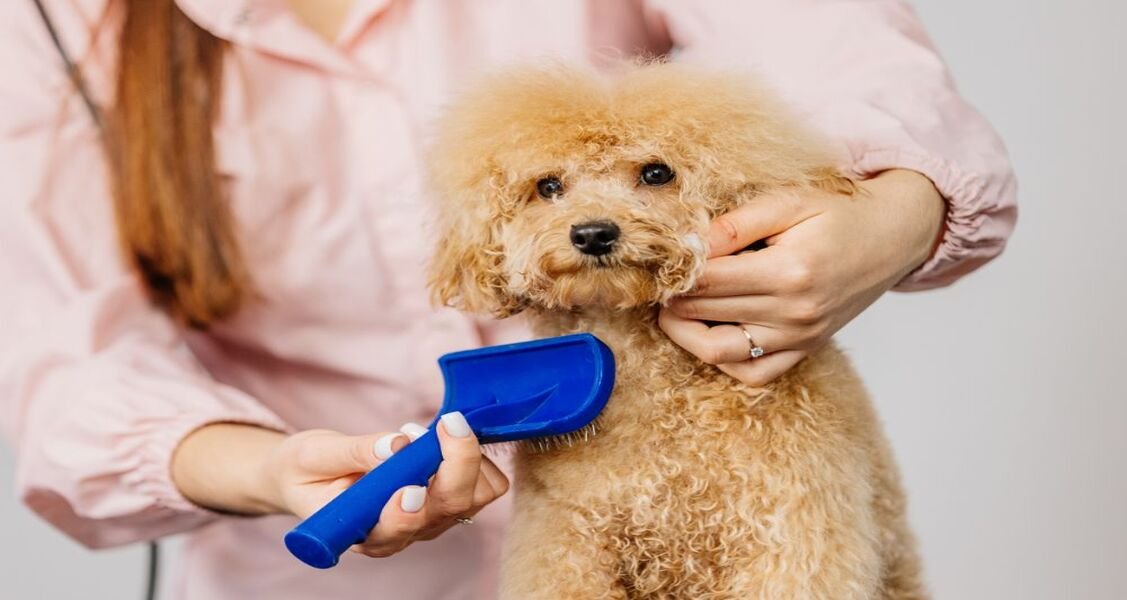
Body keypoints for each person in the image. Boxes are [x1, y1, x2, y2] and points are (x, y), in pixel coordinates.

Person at [0, 0, 1016, 598]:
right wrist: (270, 469)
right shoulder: (51, 30)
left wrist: (892, 212)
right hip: (318, 571)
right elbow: (67, 356)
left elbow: (833, 46)